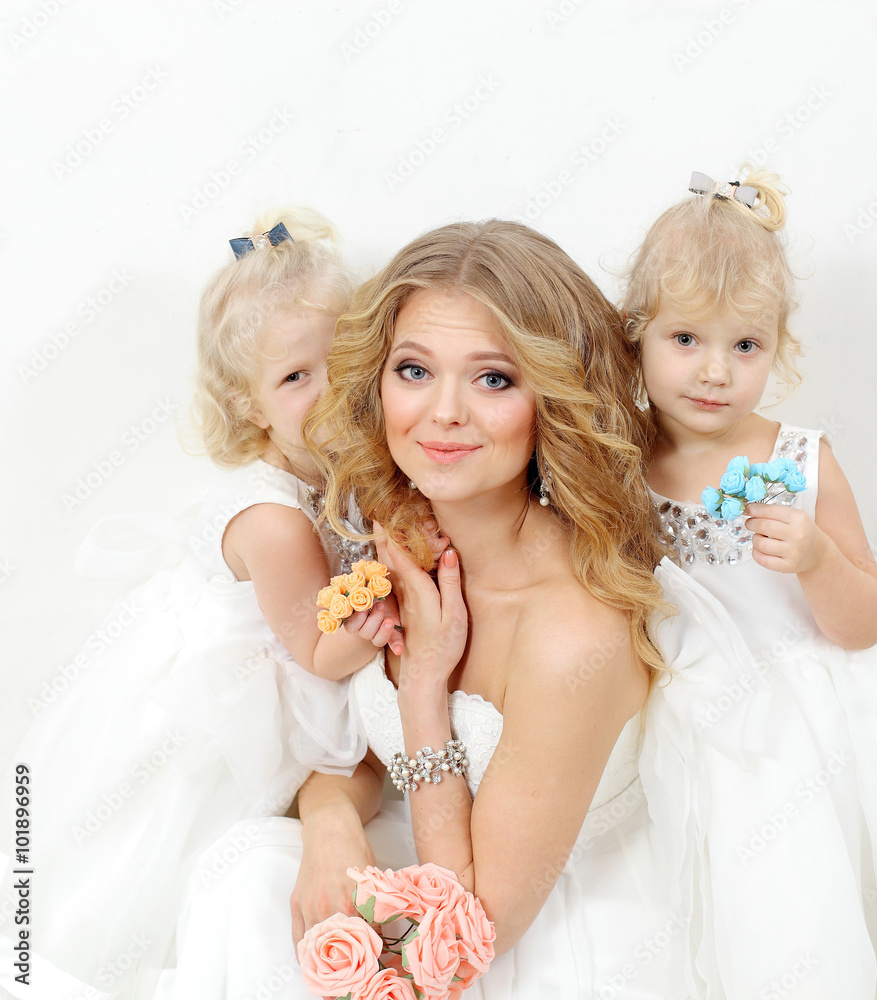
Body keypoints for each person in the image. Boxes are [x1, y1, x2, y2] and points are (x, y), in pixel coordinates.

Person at [159, 218, 767, 1000]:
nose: (443, 413)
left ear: (554, 400)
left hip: (527, 941)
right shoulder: (404, 536)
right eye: (414, 370)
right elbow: (356, 745)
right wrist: (332, 821)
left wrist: (422, 693)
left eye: (493, 379)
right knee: (241, 881)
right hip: (414, 867)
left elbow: (469, 937)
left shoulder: (573, 634)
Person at [623, 168, 877, 996]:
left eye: (745, 345)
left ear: (779, 348)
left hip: (830, 731)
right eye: (686, 339)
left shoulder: (799, 458)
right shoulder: (622, 468)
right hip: (705, 732)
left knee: (849, 902)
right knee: (741, 915)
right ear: (637, 335)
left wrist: (820, 559)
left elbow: (867, 621)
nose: (715, 371)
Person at [0, 209, 392, 1000]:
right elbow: (317, 653)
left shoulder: (340, 479)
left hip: (277, 660)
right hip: (218, 708)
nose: (328, 390)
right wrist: (378, 628)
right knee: (160, 856)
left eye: (342, 360)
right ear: (250, 408)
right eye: (293, 378)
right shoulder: (276, 522)